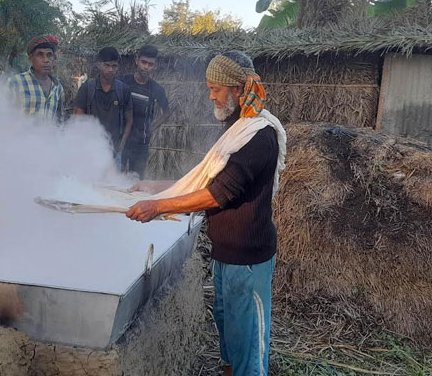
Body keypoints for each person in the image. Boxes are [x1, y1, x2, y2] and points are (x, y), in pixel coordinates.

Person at [125, 51, 287, 376]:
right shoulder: (236, 128)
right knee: (229, 331)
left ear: (238, 89)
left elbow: (218, 192)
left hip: (248, 259)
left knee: (249, 345)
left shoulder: (258, 136)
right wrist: (154, 186)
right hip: (226, 255)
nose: (210, 95)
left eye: (215, 88)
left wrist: (158, 206)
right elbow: (206, 177)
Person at [74, 47, 133, 167]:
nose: (110, 70)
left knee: (113, 184)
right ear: (99, 65)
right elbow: (78, 120)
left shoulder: (123, 90)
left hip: (114, 154)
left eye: (114, 66)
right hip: (89, 153)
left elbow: (129, 120)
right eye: (107, 65)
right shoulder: (87, 89)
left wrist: (121, 145)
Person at [118, 45, 170, 179]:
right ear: (137, 60)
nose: (146, 67)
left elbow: (166, 112)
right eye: (144, 62)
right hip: (121, 140)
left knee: (136, 180)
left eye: (150, 64)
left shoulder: (156, 89)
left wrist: (151, 128)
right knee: (116, 178)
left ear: (155, 66)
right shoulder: (123, 82)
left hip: (141, 144)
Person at [6, 34, 64, 121]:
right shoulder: (15, 82)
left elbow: (59, 121)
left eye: (49, 55)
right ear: (31, 58)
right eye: (40, 55)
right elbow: (3, 116)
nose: (46, 60)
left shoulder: (58, 87)